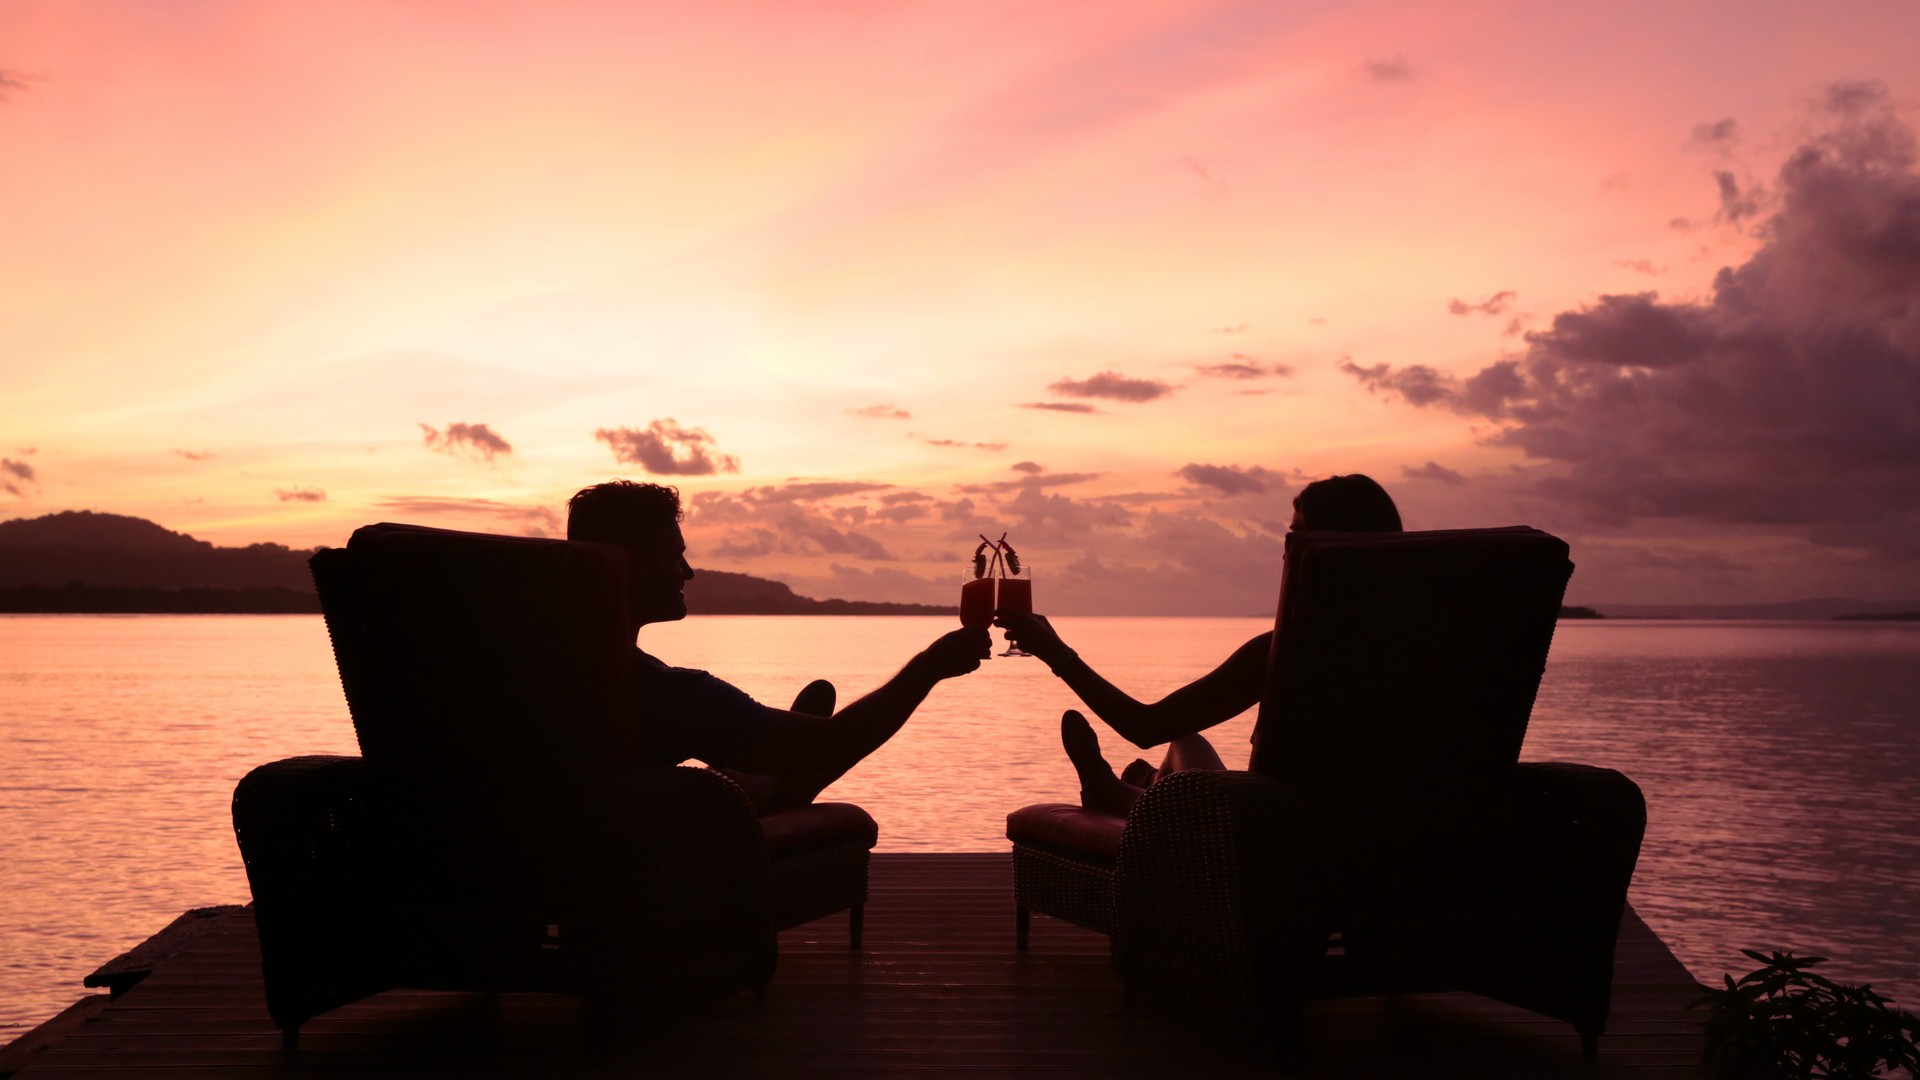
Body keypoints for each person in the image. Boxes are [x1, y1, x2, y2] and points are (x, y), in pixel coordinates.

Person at [568, 479, 988, 813]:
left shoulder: (524, 665)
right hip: (635, 865)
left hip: (527, 872)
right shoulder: (664, 694)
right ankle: (774, 785)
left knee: (746, 764)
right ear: (632, 567)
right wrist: (929, 667)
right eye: (673, 556)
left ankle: (761, 779)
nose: (689, 572)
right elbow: (833, 742)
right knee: (800, 759)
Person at [996, 474, 1403, 816]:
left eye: (1296, 536)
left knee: (1181, 749)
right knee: (1186, 743)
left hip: (1283, 839)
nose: (1286, 550)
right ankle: (1146, 789)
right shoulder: (1427, 647)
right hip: (1395, 843)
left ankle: (1127, 796)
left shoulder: (1286, 652)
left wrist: (1056, 653)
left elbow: (1145, 726)